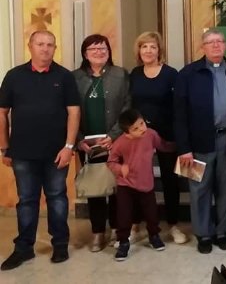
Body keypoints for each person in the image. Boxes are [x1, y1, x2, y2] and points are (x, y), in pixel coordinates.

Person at [0, 31, 81, 271]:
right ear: (30, 46)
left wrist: (69, 146)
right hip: (22, 152)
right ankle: (23, 248)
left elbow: (74, 112)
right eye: (40, 44)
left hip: (57, 152)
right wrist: (4, 147)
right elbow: (2, 113)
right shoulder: (14, 76)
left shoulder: (64, 77)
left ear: (55, 49)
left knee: (57, 198)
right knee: (26, 201)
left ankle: (60, 245)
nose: (45, 49)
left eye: (50, 45)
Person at [174, 29, 226, 254]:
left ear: (225, 46)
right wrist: (184, 148)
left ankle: (223, 232)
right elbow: (180, 114)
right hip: (197, 143)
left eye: (220, 42)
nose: (216, 46)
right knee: (199, 190)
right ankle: (203, 234)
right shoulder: (188, 74)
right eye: (210, 42)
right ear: (202, 47)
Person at [73, 34, 130, 252]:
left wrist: (114, 135)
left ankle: (117, 228)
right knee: (95, 188)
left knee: (117, 187)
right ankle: (98, 232)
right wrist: (78, 140)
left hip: (115, 141)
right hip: (88, 144)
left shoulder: (120, 75)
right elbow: (68, 111)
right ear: (85, 54)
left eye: (103, 48)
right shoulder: (75, 77)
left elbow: (127, 106)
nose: (99, 52)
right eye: (93, 49)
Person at [129, 31, 187, 244]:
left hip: (166, 135)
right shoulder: (134, 74)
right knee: (137, 180)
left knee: (170, 181)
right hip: (139, 137)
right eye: (144, 47)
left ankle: (173, 225)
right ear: (139, 50)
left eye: (152, 47)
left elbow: (178, 106)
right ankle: (135, 224)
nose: (148, 51)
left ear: (159, 50)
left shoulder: (171, 74)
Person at [107, 109, 175, 261]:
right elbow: (111, 161)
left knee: (151, 213)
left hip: (146, 183)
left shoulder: (151, 134)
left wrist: (179, 147)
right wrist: (120, 168)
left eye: (142, 124)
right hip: (126, 185)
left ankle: (154, 235)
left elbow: (163, 145)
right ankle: (124, 242)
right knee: (124, 215)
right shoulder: (120, 143)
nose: (142, 129)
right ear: (127, 133)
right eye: (136, 129)